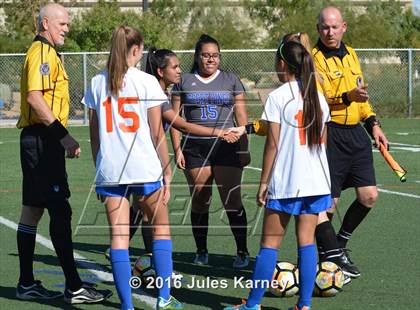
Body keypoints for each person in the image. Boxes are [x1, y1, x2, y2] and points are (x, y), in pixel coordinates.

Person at [224, 40, 331, 310]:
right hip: (316, 182)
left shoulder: (278, 97)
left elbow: (272, 144)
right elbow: (323, 142)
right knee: (306, 243)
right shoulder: (317, 95)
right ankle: (304, 305)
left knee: (269, 246)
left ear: (282, 64)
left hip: (287, 182)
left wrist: (264, 183)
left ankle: (253, 305)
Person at [15, 3, 111, 304]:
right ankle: (74, 287)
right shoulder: (42, 53)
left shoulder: (46, 52)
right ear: (46, 24)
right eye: (63, 24)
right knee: (60, 211)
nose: (67, 29)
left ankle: (27, 283)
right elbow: (35, 98)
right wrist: (64, 136)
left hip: (38, 141)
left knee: (33, 209)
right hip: (43, 141)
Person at [83, 26, 184, 310]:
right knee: (161, 229)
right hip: (144, 167)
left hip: (111, 170)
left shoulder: (96, 82)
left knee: (118, 237)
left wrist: (99, 170)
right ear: (137, 50)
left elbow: (94, 135)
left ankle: (127, 305)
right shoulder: (147, 81)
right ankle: (164, 298)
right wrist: (166, 170)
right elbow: (156, 133)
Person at [312, 6, 389, 278]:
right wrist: (346, 97)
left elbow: (362, 97)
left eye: (334, 27)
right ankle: (326, 257)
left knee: (369, 196)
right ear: (318, 29)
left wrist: (374, 125)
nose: (329, 32)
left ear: (343, 27)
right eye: (324, 27)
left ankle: (340, 244)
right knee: (328, 203)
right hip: (329, 134)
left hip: (355, 133)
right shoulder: (314, 59)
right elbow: (319, 100)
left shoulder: (352, 54)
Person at [170, 34, 250, 268]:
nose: (210, 59)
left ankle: (242, 251)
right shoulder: (183, 81)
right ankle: (201, 250)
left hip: (228, 145)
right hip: (195, 147)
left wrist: (244, 146)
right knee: (201, 198)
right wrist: (177, 148)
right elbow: (175, 118)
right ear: (197, 56)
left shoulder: (231, 79)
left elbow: (242, 115)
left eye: (214, 55)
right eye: (205, 55)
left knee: (231, 199)